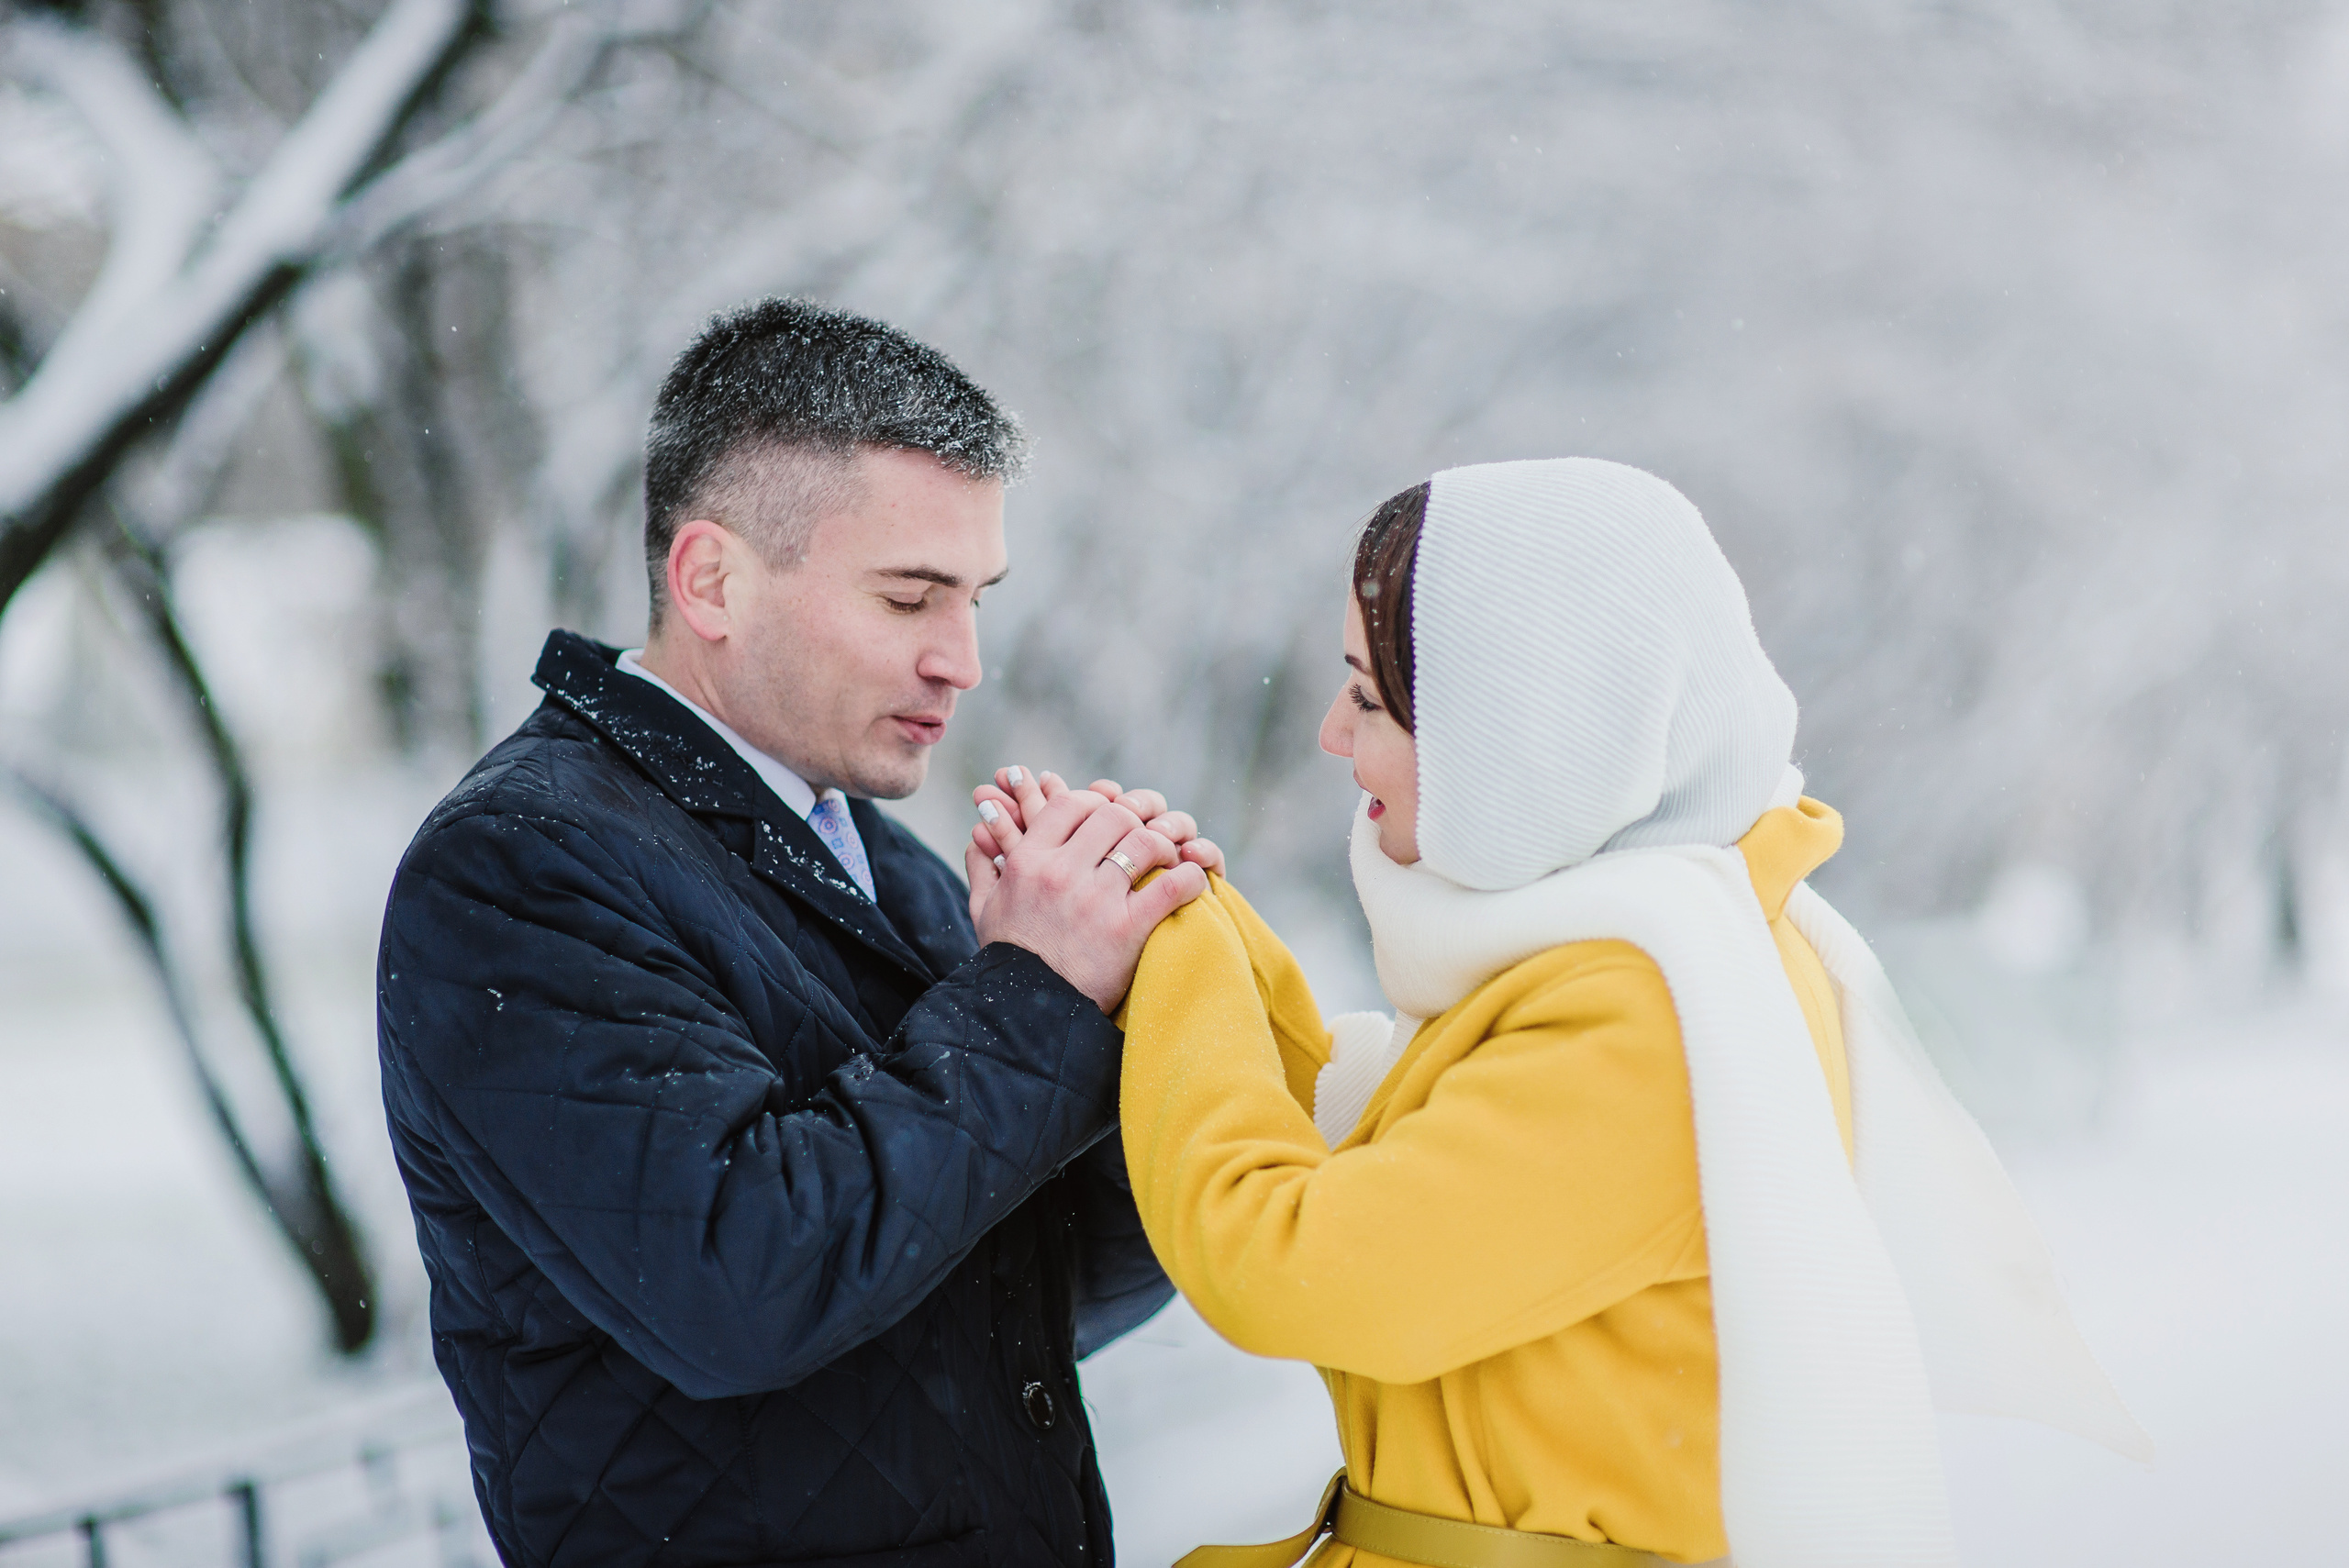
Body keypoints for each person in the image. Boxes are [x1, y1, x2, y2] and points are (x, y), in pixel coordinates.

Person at [974, 459, 2150, 1568]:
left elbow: (1302, 1264)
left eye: (1371, 697)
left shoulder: (1643, 1010)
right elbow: (1393, 1128)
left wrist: (1177, 948)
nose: (1333, 733)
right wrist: (1204, 918)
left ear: (1519, 739)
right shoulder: (1652, 949)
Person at [376, 297, 1214, 1568]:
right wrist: (1032, 994)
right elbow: (738, 1284)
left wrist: (1136, 1001)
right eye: (909, 598)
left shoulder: (886, 858)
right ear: (711, 579)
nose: (963, 660)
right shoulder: (519, 867)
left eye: (976, 597)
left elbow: (1029, 1295)